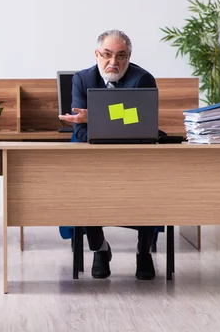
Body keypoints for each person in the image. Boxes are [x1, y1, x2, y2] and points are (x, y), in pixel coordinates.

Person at [58, 29, 156, 280]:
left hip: (134, 157)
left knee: (152, 184)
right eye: (107, 54)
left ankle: (143, 251)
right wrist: (121, 117)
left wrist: (96, 116)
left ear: (129, 56)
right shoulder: (82, 79)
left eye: (121, 56)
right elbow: (82, 132)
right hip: (92, 156)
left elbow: (141, 124)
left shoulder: (142, 80)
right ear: (97, 54)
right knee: (84, 187)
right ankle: (100, 248)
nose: (114, 62)